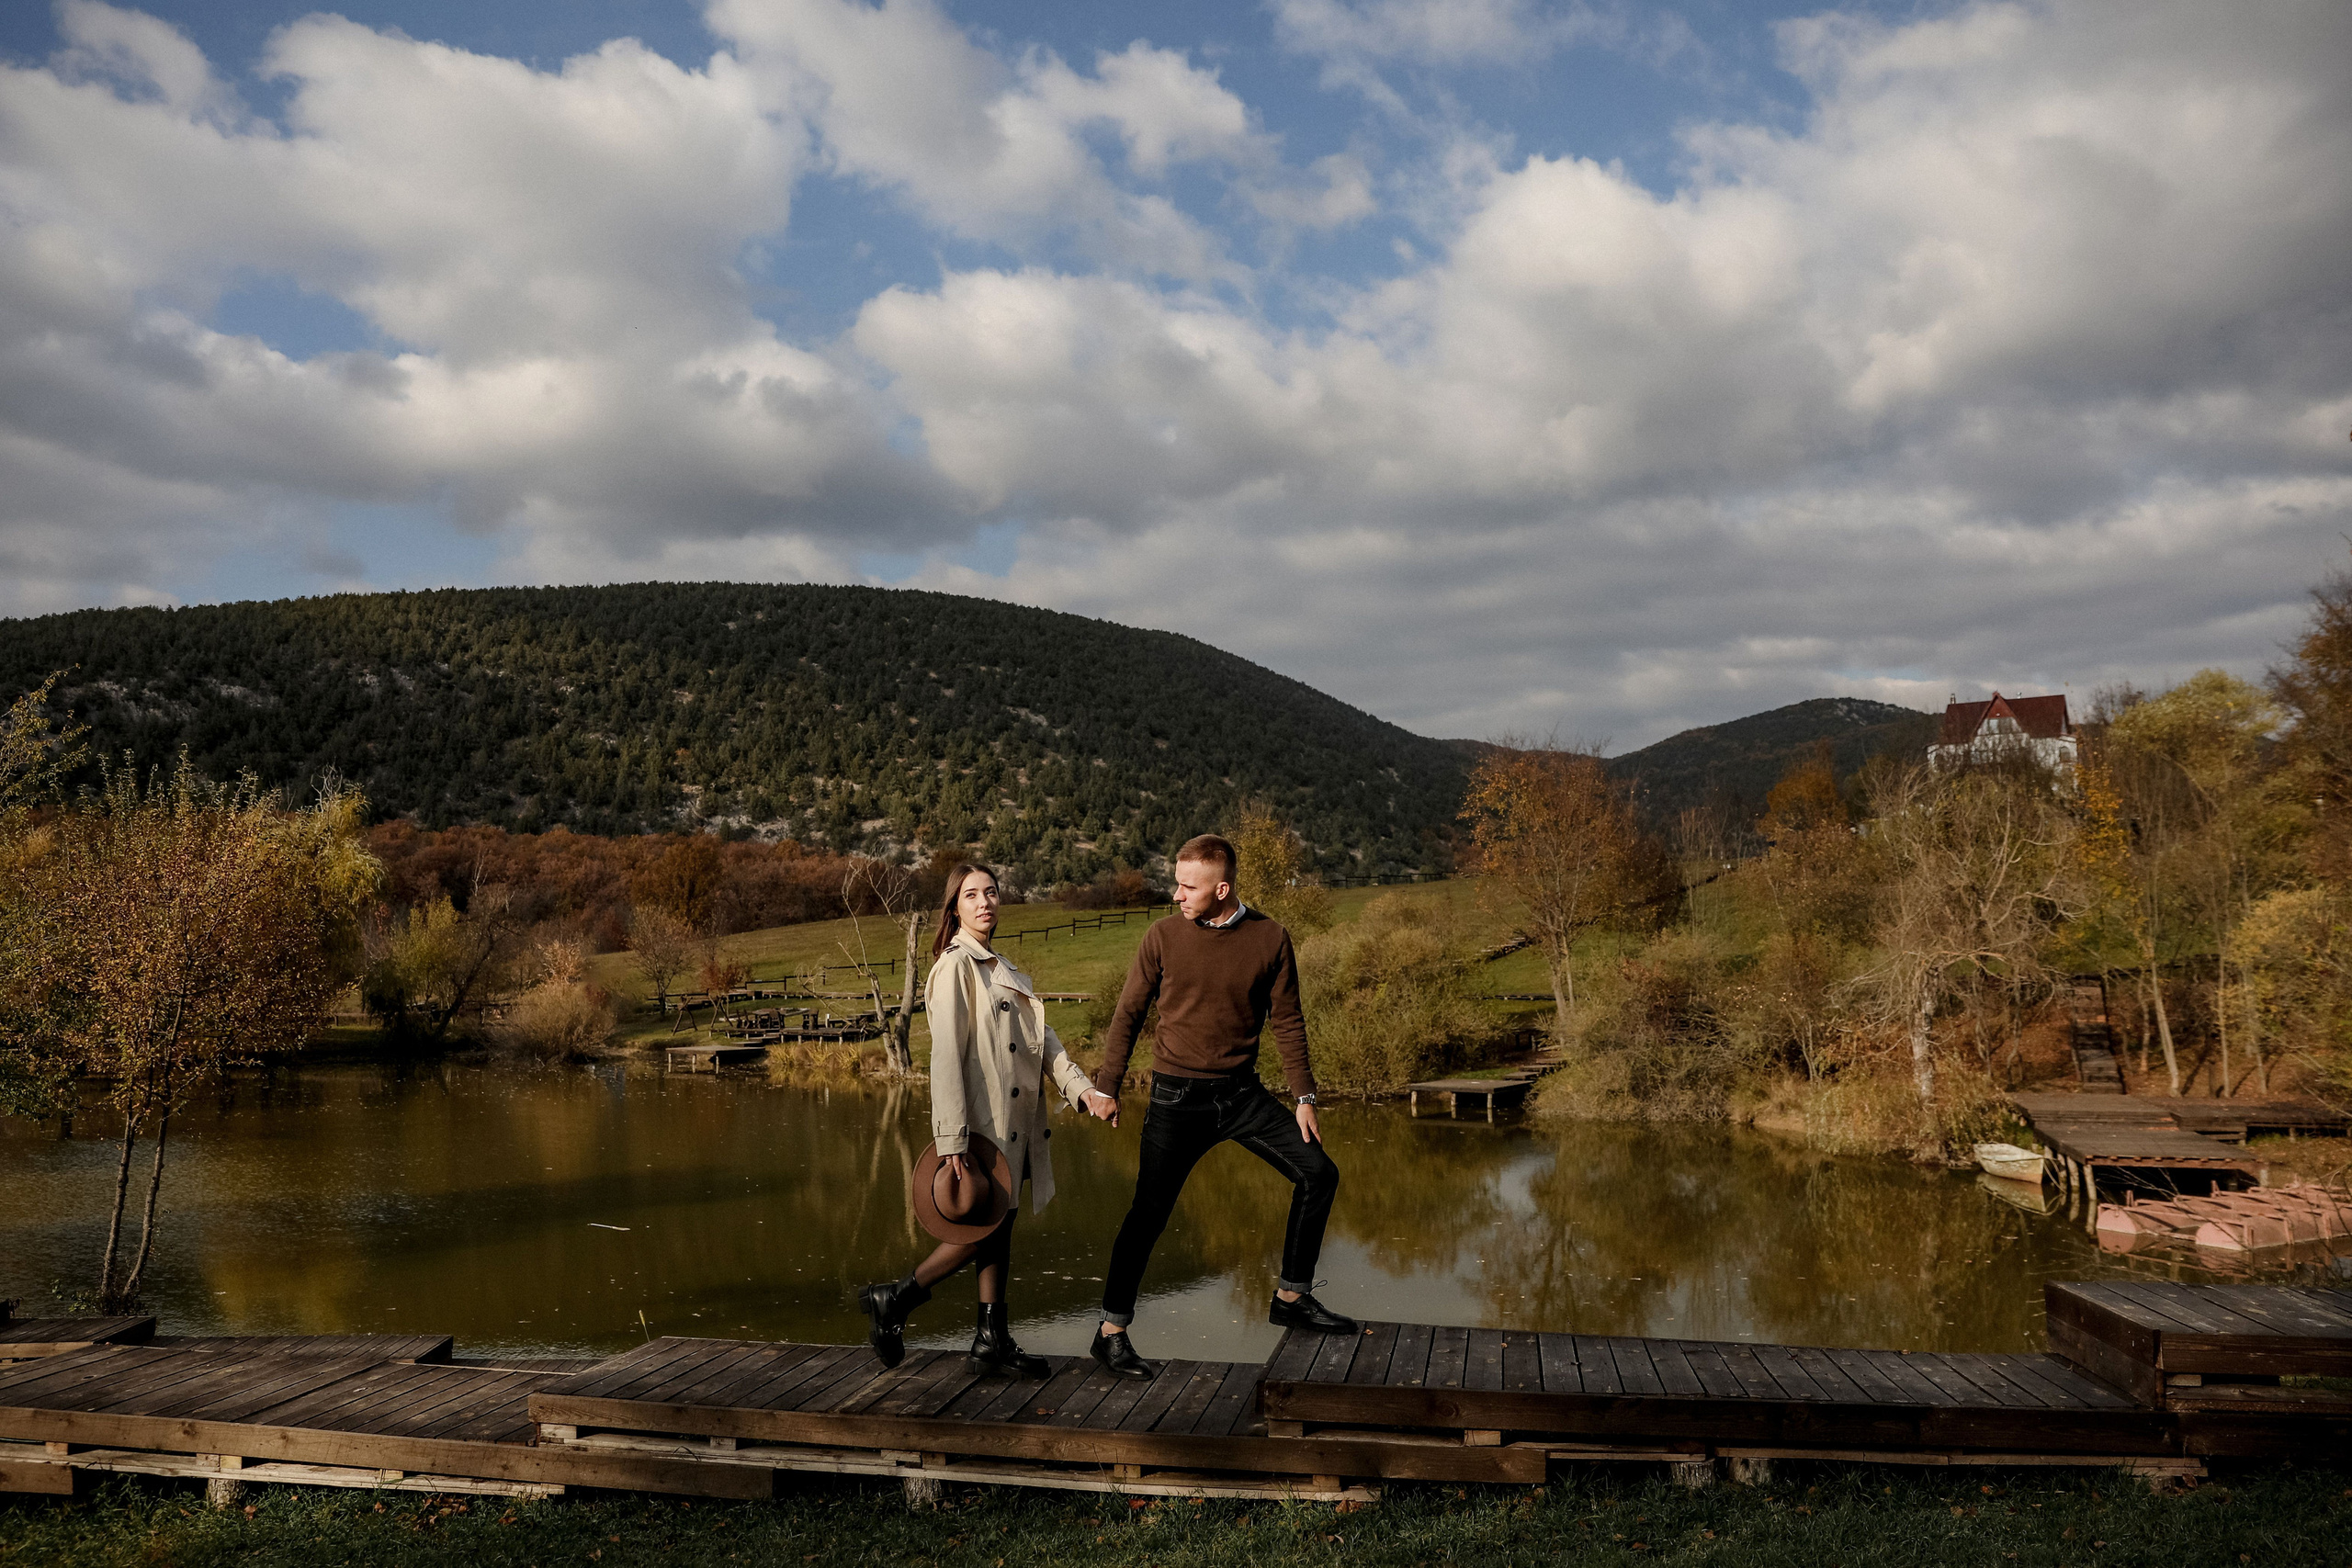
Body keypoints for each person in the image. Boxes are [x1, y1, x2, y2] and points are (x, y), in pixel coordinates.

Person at [1084, 833, 1355, 1382]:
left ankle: (1291, 1298)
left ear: (1222, 888)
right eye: (1176, 883)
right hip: (1175, 1099)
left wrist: (1304, 1097)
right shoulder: (1161, 936)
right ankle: (1110, 1333)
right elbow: (1128, 1014)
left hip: (1241, 1096)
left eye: (1188, 886)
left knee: (1319, 1174)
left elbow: (1288, 1021)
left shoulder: (1271, 938)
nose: (1176, 895)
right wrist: (1107, 1088)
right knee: (1148, 1216)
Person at [855, 863, 1119, 1373]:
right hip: (980, 1126)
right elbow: (945, 1059)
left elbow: (1047, 1045)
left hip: (1013, 1122)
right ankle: (898, 1297)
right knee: (986, 1226)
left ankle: (990, 1339)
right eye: (972, 895)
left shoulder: (1002, 966)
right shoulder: (954, 966)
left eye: (992, 892)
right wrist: (951, 1138)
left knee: (1001, 1226)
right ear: (954, 907)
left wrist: (1084, 1091)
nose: (984, 902)